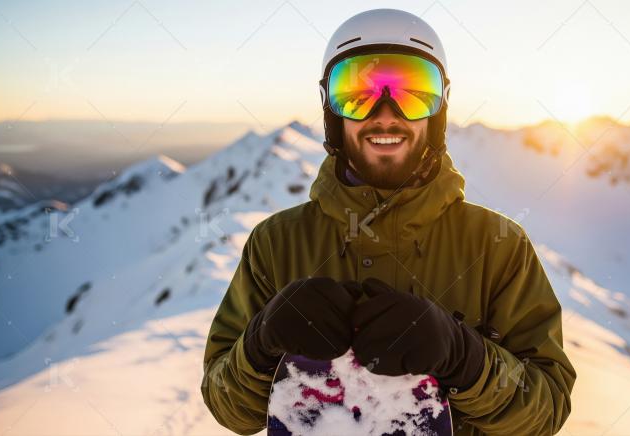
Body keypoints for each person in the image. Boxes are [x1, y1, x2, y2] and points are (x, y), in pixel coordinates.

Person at [201, 8, 576, 435]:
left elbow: (546, 410)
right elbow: (228, 407)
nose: (384, 113)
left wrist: (466, 358)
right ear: (331, 111)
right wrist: (260, 342)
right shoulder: (276, 243)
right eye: (356, 95)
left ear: (439, 110)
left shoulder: (498, 245)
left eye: (413, 92)